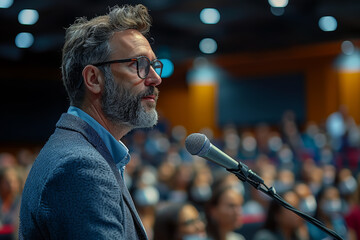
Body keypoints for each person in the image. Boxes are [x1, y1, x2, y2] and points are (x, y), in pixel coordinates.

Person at [19, 4, 163, 239]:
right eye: (138, 65)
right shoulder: (81, 166)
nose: (155, 78)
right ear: (94, 79)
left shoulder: (83, 151)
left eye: (154, 65)